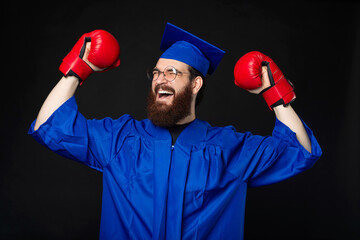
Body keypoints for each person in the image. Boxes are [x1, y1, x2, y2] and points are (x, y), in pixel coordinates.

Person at [29, 23, 322, 240]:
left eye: (172, 72)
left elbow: (299, 150)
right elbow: (50, 124)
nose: (160, 79)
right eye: (156, 73)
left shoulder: (227, 148)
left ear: (195, 85)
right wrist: (78, 68)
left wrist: (273, 91)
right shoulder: (121, 140)